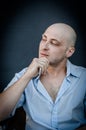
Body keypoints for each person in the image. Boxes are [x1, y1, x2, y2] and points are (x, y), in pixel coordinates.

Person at [0, 23, 86, 130]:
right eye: (44, 39)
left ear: (69, 52)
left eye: (53, 43)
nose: (44, 47)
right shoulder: (25, 75)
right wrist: (27, 76)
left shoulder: (83, 78)